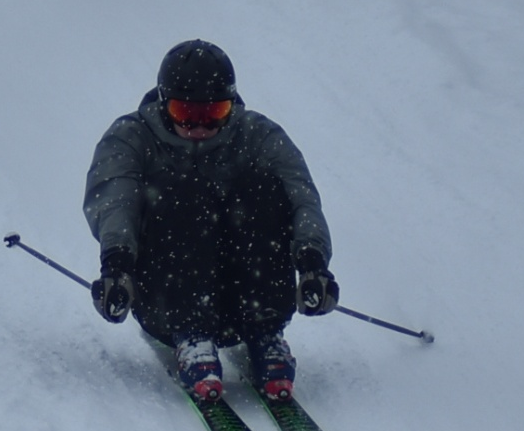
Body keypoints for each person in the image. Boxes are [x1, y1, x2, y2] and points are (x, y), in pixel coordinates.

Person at [83, 40, 338, 402]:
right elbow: (114, 200)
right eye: (185, 112)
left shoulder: (258, 135)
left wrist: (313, 263)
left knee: (263, 187)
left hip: (241, 299)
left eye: (214, 112)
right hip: (167, 301)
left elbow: (302, 197)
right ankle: (192, 336)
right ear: (163, 103)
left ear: (231, 106)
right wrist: (117, 266)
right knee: (181, 191)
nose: (199, 127)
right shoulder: (131, 137)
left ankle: (264, 332)